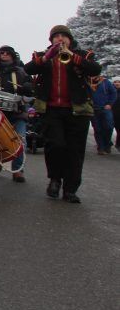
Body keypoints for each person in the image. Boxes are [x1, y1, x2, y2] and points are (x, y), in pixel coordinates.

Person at [24, 25, 101, 203]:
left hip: (78, 110)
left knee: (75, 151)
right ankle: (55, 179)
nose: (60, 39)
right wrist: (45, 58)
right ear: (51, 40)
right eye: (56, 36)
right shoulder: (43, 56)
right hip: (51, 109)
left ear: (70, 40)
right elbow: (28, 70)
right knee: (55, 145)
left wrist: (72, 56)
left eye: (63, 36)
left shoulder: (82, 55)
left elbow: (95, 69)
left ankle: (70, 189)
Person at [0, 45, 34, 181]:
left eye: (8, 53)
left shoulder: (22, 72)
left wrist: (27, 90)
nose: (4, 54)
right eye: (1, 52)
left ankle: (17, 169)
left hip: (17, 111)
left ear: (13, 55)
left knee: (19, 140)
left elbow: (31, 90)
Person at [89, 75, 116, 154]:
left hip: (105, 108)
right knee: (97, 129)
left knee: (109, 127)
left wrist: (110, 104)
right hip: (93, 109)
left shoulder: (105, 82)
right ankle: (100, 147)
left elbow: (113, 93)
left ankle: (107, 143)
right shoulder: (88, 82)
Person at [113, 77, 120, 151]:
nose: (117, 83)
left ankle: (118, 144)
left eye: (119, 82)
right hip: (112, 113)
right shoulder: (111, 92)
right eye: (115, 82)